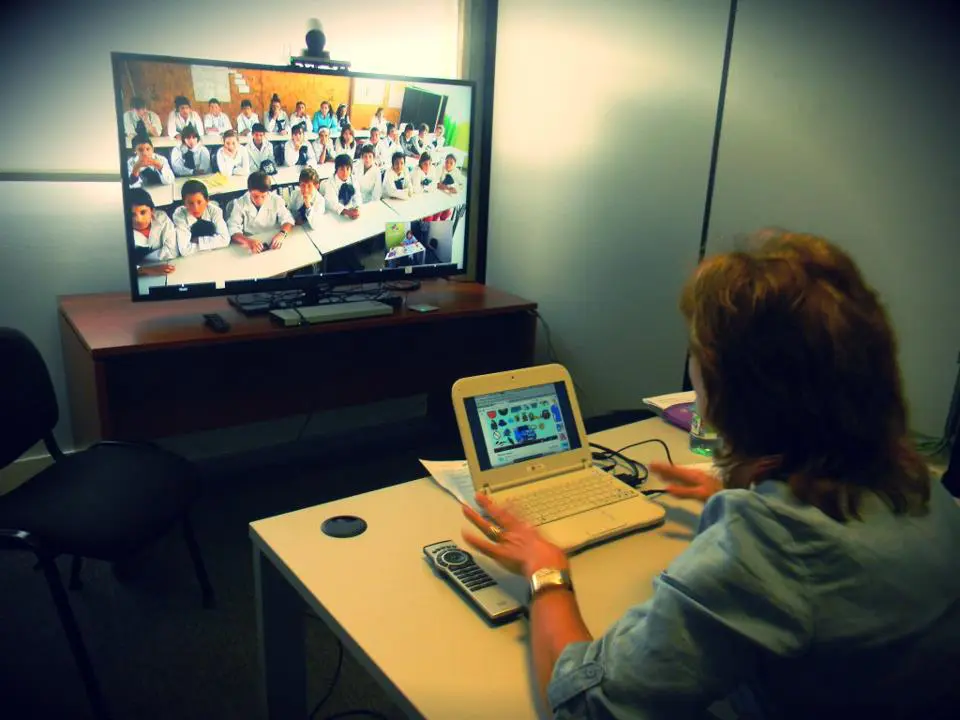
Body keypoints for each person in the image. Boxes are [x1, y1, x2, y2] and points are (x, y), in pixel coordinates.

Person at [460, 231, 960, 720]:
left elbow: (586, 705)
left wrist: (546, 571)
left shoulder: (768, 541)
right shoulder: (918, 483)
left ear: (731, 387)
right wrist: (746, 490)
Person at [227, 171, 294, 253]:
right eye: (255, 196)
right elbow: (232, 229)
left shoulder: (276, 200)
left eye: (263, 196)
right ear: (249, 191)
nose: (259, 200)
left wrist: (282, 234)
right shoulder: (240, 203)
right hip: (251, 242)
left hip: (273, 240)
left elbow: (288, 220)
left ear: (268, 192)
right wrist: (248, 241)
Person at [172, 179, 230, 256]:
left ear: (207, 201)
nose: (196, 208)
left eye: (199, 202)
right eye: (190, 203)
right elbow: (184, 250)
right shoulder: (179, 215)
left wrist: (198, 240)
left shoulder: (215, 211)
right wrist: (213, 242)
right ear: (184, 203)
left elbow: (225, 239)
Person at [128, 188, 175, 278]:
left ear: (152, 210)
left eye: (143, 212)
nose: (138, 219)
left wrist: (139, 261)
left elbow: (172, 251)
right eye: (132, 215)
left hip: (171, 265)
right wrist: (144, 269)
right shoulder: (122, 232)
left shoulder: (162, 218)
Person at [323, 154, 362, 219]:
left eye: (348, 169)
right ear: (336, 169)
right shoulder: (330, 182)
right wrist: (347, 212)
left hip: (350, 211)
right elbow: (333, 203)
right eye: (342, 169)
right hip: (334, 213)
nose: (345, 172)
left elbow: (357, 196)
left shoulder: (354, 179)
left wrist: (357, 208)